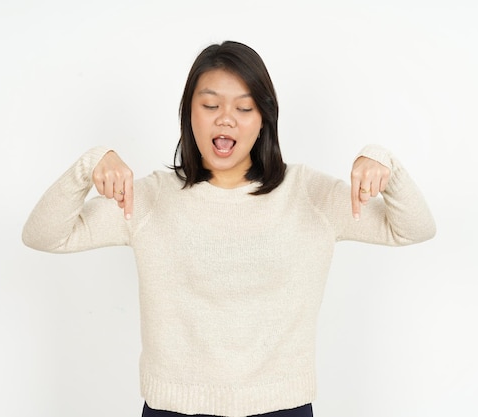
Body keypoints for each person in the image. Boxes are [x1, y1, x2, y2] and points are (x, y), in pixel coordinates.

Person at [22, 40, 436, 417]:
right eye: (210, 105)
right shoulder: (149, 198)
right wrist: (89, 164)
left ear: (263, 120)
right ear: (189, 113)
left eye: (244, 107)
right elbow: (44, 235)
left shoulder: (309, 194)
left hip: (282, 408)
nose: (226, 119)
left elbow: (412, 228)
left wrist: (385, 163)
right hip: (172, 409)